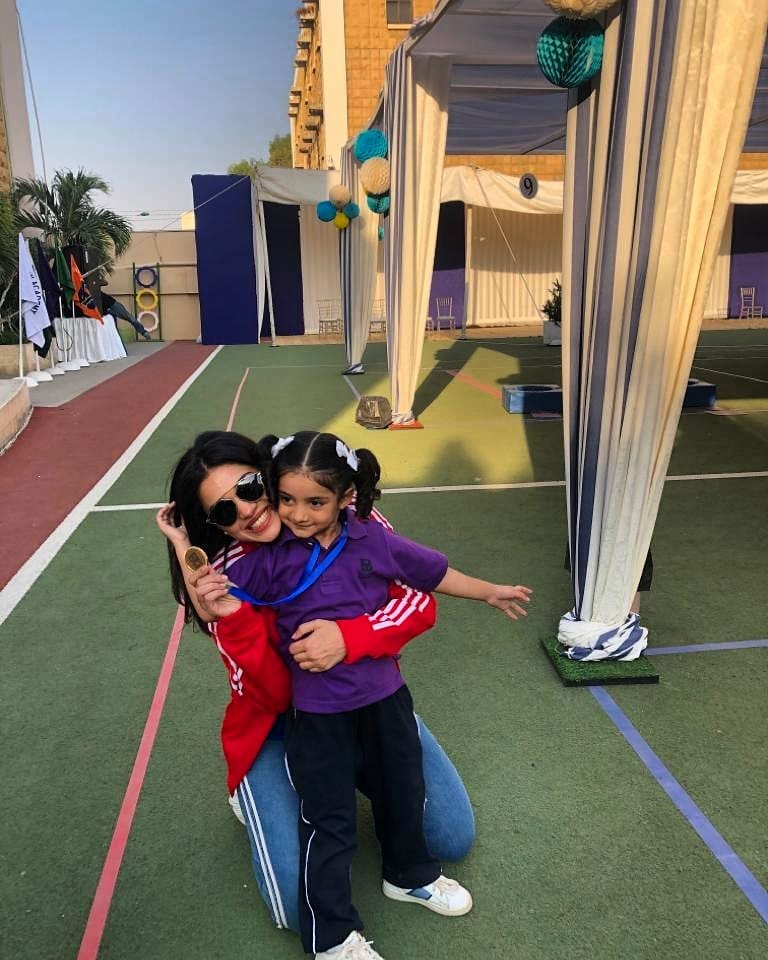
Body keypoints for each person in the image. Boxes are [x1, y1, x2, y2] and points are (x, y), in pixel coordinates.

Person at [200, 430, 532, 960]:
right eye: (286, 499)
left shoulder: (371, 537)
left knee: (404, 788)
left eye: (314, 502)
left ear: (346, 497)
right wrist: (191, 563)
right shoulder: (267, 555)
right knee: (327, 819)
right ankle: (331, 934)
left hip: (386, 700)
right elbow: (225, 580)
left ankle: (409, 874)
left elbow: (432, 574)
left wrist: (489, 590)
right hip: (312, 716)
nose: (297, 514)